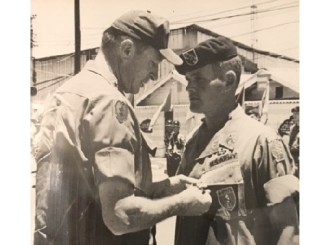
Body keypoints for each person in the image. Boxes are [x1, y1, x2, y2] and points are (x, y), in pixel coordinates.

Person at [32, 10, 212, 245]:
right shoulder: (108, 101)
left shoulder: (68, 92)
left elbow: (89, 190)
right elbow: (120, 215)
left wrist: (166, 187)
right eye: (153, 63)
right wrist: (184, 203)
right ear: (126, 50)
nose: (155, 75)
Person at [173, 37, 299, 245]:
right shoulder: (193, 141)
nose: (189, 88)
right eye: (188, 80)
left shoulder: (262, 142)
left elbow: (289, 230)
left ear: (229, 81)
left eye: (199, 79)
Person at [289, 106, 299, 177]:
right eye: (293, 114)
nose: (294, 116)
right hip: (293, 160)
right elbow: (290, 143)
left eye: (296, 114)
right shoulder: (292, 128)